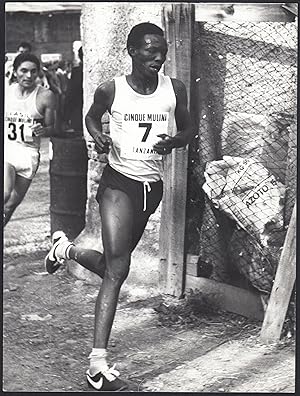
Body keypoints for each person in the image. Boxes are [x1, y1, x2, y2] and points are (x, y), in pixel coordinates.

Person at [44, 22, 194, 391]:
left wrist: (173, 142)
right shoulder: (112, 89)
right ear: (131, 50)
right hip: (117, 185)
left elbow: (189, 130)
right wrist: (98, 135)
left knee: (116, 267)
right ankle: (97, 363)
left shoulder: (174, 90)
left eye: (162, 51)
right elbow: (92, 116)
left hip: (150, 188)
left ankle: (65, 248)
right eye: (149, 50)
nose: (158, 57)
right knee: (118, 267)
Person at [4, 53, 56, 226]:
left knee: (10, 206)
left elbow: (53, 127)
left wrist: (43, 130)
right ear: (15, 71)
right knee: (4, 193)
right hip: (8, 149)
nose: (28, 76)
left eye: (33, 71)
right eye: (24, 71)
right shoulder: (7, 92)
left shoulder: (45, 96)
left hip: (29, 154)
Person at [62, 47, 83, 132]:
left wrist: (66, 117)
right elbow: (71, 94)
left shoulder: (77, 71)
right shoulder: (77, 72)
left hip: (78, 111)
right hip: (78, 111)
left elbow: (70, 94)